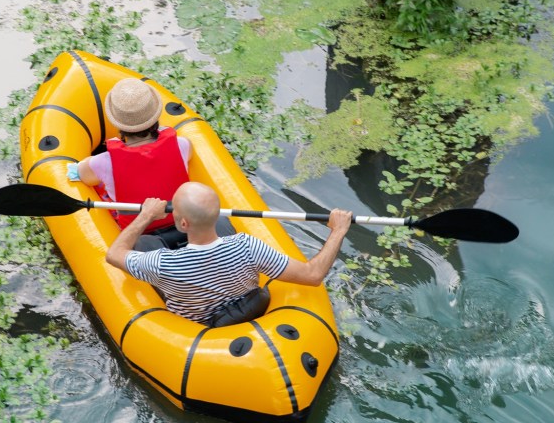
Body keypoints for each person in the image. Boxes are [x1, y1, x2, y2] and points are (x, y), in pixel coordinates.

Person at [105, 182, 353, 327]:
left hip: (197, 328)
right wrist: (338, 230)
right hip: (244, 307)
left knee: (144, 241)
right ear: (217, 214)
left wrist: (146, 215)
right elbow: (313, 274)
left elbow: (114, 254)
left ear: (182, 223)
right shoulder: (248, 246)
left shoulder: (162, 263)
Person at [68, 78, 192, 242]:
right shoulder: (181, 144)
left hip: (140, 233)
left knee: (100, 185)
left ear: (118, 124)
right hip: (183, 222)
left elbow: (79, 173)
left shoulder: (103, 162)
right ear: (155, 116)